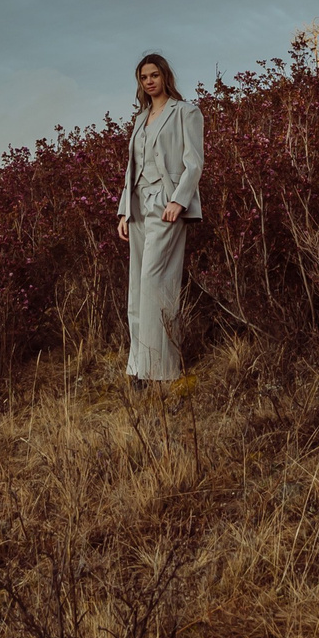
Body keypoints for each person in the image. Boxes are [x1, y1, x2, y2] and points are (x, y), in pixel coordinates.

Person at [116, 52, 202, 388]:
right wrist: (124, 211)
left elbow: (193, 163)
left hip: (166, 205)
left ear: (165, 76)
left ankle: (159, 370)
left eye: (154, 75)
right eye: (143, 77)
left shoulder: (186, 113)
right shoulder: (140, 119)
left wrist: (178, 201)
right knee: (138, 286)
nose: (149, 81)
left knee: (155, 284)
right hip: (138, 207)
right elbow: (131, 169)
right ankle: (139, 367)